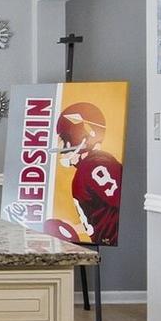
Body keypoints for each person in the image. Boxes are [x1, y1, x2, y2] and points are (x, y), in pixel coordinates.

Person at [51, 101, 121, 245]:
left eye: (65, 139)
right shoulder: (87, 169)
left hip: (112, 243)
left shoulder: (94, 166)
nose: (61, 146)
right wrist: (75, 228)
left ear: (84, 137)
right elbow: (101, 216)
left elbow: (122, 203)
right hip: (105, 243)